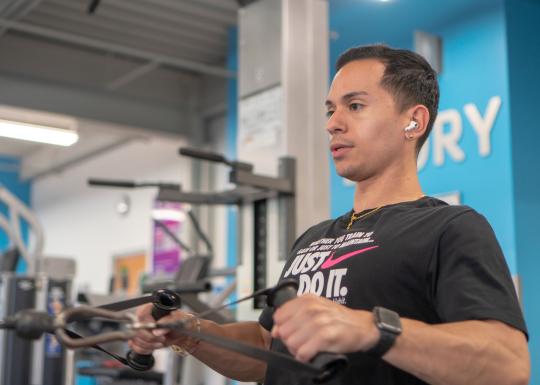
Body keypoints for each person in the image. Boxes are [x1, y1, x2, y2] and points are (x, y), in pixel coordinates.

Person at [130, 45, 530, 385]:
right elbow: (270, 347)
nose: (333, 124)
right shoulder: (314, 238)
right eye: (330, 110)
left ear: (414, 121)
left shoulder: (450, 228)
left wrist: (369, 328)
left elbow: (508, 364)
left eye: (355, 106)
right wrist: (189, 332)